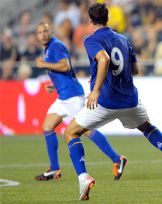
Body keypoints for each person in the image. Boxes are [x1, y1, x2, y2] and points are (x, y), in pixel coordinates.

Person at [63, 3, 162, 201]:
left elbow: (104, 59)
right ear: (108, 19)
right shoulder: (124, 39)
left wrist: (96, 89)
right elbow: (135, 70)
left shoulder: (91, 40)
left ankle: (83, 177)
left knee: (70, 132)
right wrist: (100, 76)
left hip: (106, 102)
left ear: (90, 20)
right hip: (130, 101)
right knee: (147, 127)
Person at [34, 22, 127, 182]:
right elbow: (66, 73)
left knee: (86, 129)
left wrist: (43, 64)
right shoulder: (49, 48)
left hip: (72, 96)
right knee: (47, 126)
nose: (42, 34)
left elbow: (65, 66)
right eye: (39, 32)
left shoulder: (56, 46)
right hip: (63, 96)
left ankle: (117, 159)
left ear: (52, 31)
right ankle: (54, 169)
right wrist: (54, 85)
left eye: (45, 31)